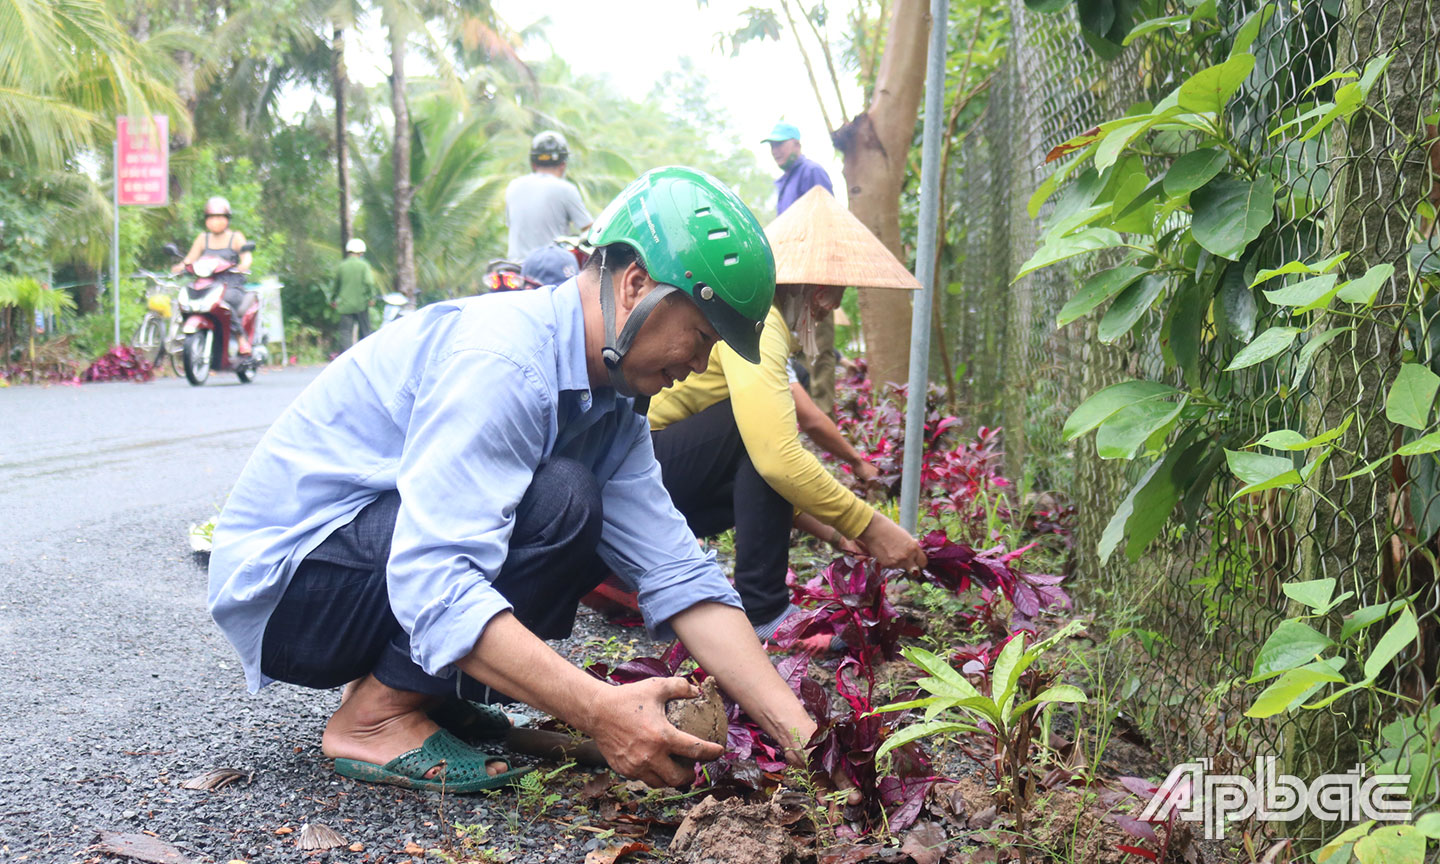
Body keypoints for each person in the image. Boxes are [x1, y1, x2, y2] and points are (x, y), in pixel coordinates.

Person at [208, 166, 824, 795]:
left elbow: (678, 572)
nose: (698, 366)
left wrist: (805, 741)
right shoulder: (505, 361)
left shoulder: (612, 408)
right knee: (560, 499)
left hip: (360, 566)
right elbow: (434, 579)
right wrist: (599, 713)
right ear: (637, 285)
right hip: (294, 588)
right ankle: (374, 719)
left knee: (569, 499)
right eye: (699, 335)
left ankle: (427, 699)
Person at [647, 185, 925, 641]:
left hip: (659, 477)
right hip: (636, 474)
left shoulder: (760, 321)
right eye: (835, 292)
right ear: (816, 291)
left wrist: (837, 534)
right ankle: (765, 609)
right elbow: (773, 456)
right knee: (758, 437)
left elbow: (757, 475)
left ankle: (761, 608)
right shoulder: (758, 324)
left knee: (760, 441)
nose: (835, 305)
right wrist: (870, 525)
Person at [760, 121, 838, 412]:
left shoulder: (811, 172)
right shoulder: (786, 181)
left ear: (797, 144)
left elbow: (828, 221)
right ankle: (806, 417)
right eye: (771, 146)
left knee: (818, 347)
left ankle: (823, 415)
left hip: (815, 274)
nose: (775, 151)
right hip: (792, 277)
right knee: (799, 348)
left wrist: (825, 281)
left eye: (780, 144)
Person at [174, 196, 255, 353]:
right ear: (206, 220)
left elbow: (246, 257)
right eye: (211, 218)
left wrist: (243, 265)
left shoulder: (236, 237)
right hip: (206, 284)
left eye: (219, 217)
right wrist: (179, 267)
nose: (215, 221)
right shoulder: (203, 239)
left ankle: (240, 337)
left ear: (227, 219)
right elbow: (189, 260)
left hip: (230, 285)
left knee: (226, 302)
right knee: (185, 298)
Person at [504, 131, 593, 261]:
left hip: (515, 269)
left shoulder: (513, 186)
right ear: (563, 165)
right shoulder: (566, 189)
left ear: (533, 164)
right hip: (550, 267)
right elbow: (590, 231)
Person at [330, 238, 380, 353]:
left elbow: (336, 286)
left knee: (345, 332)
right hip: (361, 304)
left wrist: (333, 299)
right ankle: (365, 355)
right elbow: (369, 283)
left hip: (345, 305)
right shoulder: (364, 265)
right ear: (361, 252)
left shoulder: (341, 266)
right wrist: (371, 297)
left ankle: (345, 356)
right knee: (365, 331)